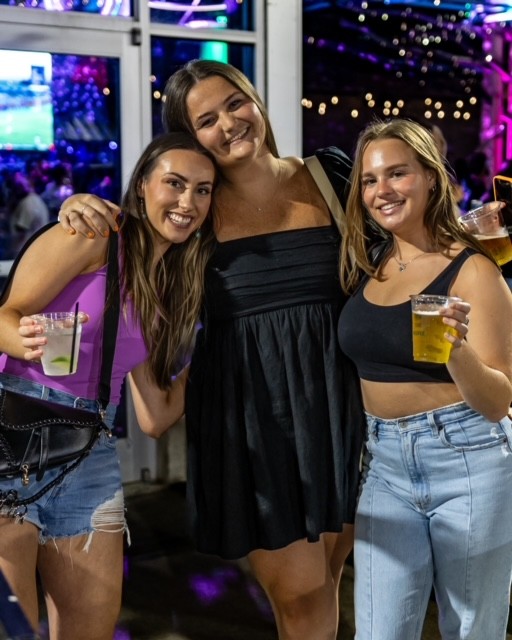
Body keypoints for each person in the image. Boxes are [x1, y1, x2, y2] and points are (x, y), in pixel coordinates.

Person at [57, 59, 366, 640]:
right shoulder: (192, 214)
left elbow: (398, 264)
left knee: (329, 578)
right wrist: (80, 207)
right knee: (303, 600)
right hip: (258, 429)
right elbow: (134, 282)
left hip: (343, 413)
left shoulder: (331, 177)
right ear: (188, 136)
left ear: (256, 99)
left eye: (235, 103)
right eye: (205, 120)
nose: (228, 124)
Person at [0, 131, 216, 640]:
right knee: (14, 630)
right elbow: (6, 315)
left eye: (203, 190)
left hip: (90, 455)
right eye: (175, 183)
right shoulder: (93, 233)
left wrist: (213, 355)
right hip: (12, 440)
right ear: (142, 185)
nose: (188, 202)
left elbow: (155, 416)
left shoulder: (161, 286)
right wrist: (26, 341)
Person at [338, 118, 512, 639]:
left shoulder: (475, 270)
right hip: (385, 466)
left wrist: (455, 351)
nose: (381, 191)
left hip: (469, 460)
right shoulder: (369, 262)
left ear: (430, 177)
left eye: (397, 174)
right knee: (380, 630)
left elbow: (499, 399)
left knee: (472, 631)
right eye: (369, 180)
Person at [8, 171, 50, 256]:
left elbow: (22, 228)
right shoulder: (33, 199)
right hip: (33, 247)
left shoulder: (28, 203)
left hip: (26, 250)